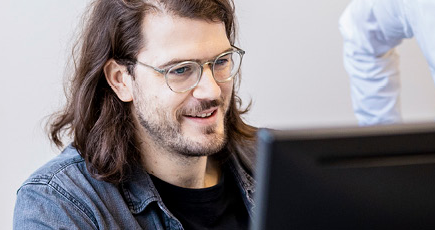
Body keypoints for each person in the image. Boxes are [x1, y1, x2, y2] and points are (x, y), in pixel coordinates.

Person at [13, 0, 258, 229]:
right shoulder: (59, 203)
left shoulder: (274, 163)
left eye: (221, 61)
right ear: (121, 80)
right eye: (181, 69)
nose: (211, 90)